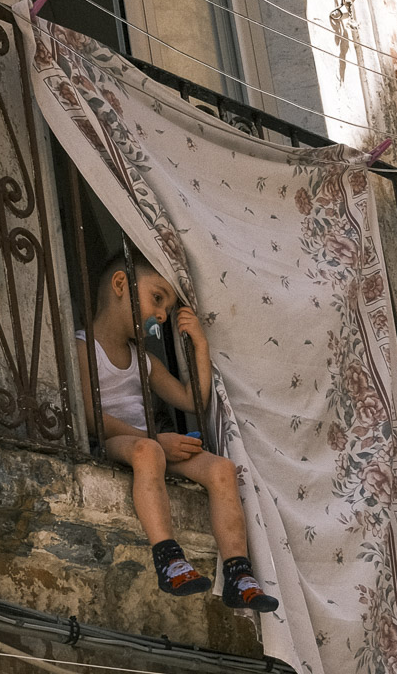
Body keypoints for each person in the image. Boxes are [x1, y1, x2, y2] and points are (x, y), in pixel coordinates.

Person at [75, 249, 279, 613]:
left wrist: (200, 345)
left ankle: (238, 573)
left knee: (222, 469)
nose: (162, 315)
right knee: (148, 452)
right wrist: (154, 440)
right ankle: (168, 559)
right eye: (157, 298)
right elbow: (90, 417)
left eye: (167, 308)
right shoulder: (82, 348)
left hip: (153, 446)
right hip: (116, 443)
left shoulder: (145, 361)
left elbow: (191, 400)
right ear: (120, 285)